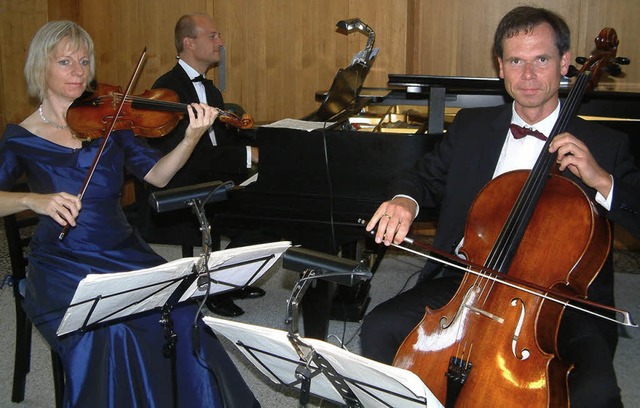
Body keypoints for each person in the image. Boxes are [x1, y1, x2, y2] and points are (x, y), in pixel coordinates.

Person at [361, 6, 640, 408]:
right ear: (501, 67)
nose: (528, 75)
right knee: (380, 329)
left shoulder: (607, 145)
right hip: (467, 282)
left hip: (560, 303)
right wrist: (404, 201)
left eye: (541, 59)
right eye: (516, 61)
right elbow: (420, 177)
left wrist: (602, 181)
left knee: (595, 392)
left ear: (564, 63)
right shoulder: (472, 127)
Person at [0, 20, 259, 407]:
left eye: (84, 61)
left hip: (122, 250)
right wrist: (32, 201)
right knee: (107, 331)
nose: (79, 72)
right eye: (65, 62)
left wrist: (190, 137)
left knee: (182, 313)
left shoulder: (113, 122)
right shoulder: (21, 136)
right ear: (41, 67)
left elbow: (158, 175)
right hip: (60, 262)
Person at [135, 12, 264, 318]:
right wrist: (250, 156)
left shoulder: (213, 91)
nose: (220, 42)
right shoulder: (167, 90)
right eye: (213, 36)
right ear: (189, 42)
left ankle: (230, 279)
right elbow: (192, 154)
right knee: (261, 208)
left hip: (212, 174)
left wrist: (258, 148)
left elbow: (221, 142)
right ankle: (217, 286)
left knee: (270, 196)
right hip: (184, 182)